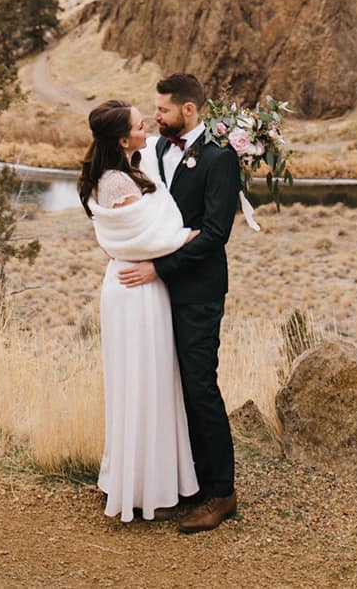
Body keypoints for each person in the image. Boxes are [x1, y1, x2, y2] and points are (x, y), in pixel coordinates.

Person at [116, 73, 242, 532]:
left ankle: (220, 492)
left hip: (198, 292)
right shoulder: (152, 151)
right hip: (154, 295)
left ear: (189, 110)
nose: (156, 116)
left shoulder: (220, 158)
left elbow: (214, 235)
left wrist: (159, 267)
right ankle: (178, 483)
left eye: (164, 110)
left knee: (199, 387)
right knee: (163, 385)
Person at [78, 99, 199, 522]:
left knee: (148, 381)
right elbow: (146, 236)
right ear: (122, 138)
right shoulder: (115, 183)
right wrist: (187, 237)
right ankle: (147, 491)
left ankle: (144, 480)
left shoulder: (127, 168)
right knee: (142, 383)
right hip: (136, 287)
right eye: (139, 124)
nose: (147, 125)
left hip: (139, 281)